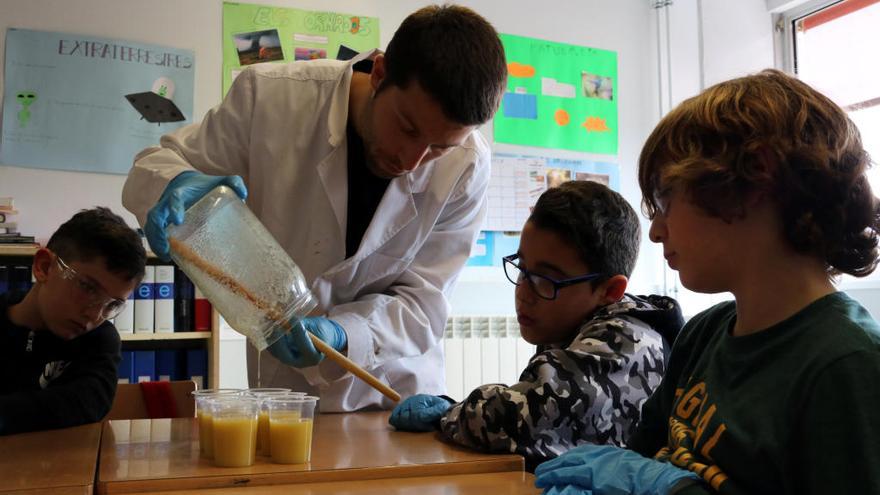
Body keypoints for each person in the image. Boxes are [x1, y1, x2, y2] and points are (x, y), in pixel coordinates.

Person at [121, 4, 507, 411]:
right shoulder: (271, 97)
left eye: (438, 148)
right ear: (379, 73)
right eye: (408, 129)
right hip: (289, 395)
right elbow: (154, 164)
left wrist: (343, 335)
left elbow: (423, 302)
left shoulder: (466, 167)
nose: (412, 161)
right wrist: (173, 183)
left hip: (393, 393)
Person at [534, 69, 880, 495]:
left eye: (663, 201)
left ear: (751, 183)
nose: (657, 232)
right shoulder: (704, 333)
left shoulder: (846, 365)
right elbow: (638, 462)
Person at [389, 180, 684, 470]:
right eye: (522, 268)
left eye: (546, 279)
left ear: (610, 291)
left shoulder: (628, 339)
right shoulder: (568, 323)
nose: (524, 292)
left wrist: (449, 413)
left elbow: (528, 417)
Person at [0, 207, 146, 435]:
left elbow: (89, 403)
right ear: (44, 267)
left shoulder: (99, 339)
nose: (95, 314)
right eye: (88, 288)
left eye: (112, 304)